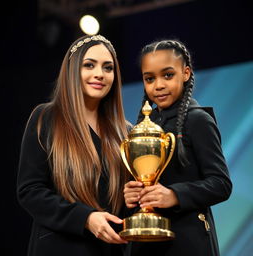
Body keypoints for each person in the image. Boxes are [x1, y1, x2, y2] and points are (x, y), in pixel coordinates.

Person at [17, 34, 131, 256]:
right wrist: (86, 218)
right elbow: (30, 191)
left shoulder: (125, 132)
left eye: (108, 68)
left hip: (110, 250)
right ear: (72, 70)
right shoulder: (46, 117)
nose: (99, 74)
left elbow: (122, 205)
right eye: (89, 65)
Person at [123, 39, 232, 256]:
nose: (159, 85)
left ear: (186, 73)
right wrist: (131, 194)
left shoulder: (198, 120)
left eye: (168, 75)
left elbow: (221, 184)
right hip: (145, 242)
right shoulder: (142, 127)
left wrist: (175, 195)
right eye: (149, 78)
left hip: (187, 241)